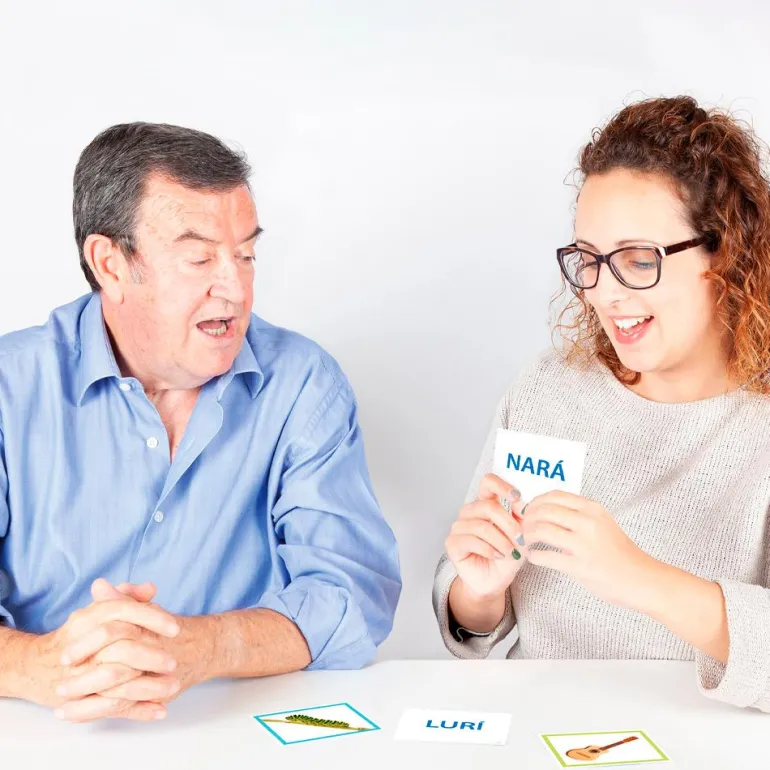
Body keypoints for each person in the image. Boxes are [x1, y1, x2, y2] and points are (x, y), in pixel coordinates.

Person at [0, 123, 401, 722]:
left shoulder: (303, 384)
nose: (234, 287)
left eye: (246, 255)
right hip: (39, 730)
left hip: (238, 726)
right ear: (110, 264)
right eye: (199, 258)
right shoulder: (10, 387)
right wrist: (38, 665)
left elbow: (351, 595)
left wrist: (205, 647)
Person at [434, 95, 770, 713]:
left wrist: (638, 577)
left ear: (726, 252)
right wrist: (479, 593)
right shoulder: (548, 388)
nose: (605, 293)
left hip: (708, 739)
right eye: (588, 260)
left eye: (639, 260)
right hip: (542, 730)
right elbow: (474, 626)